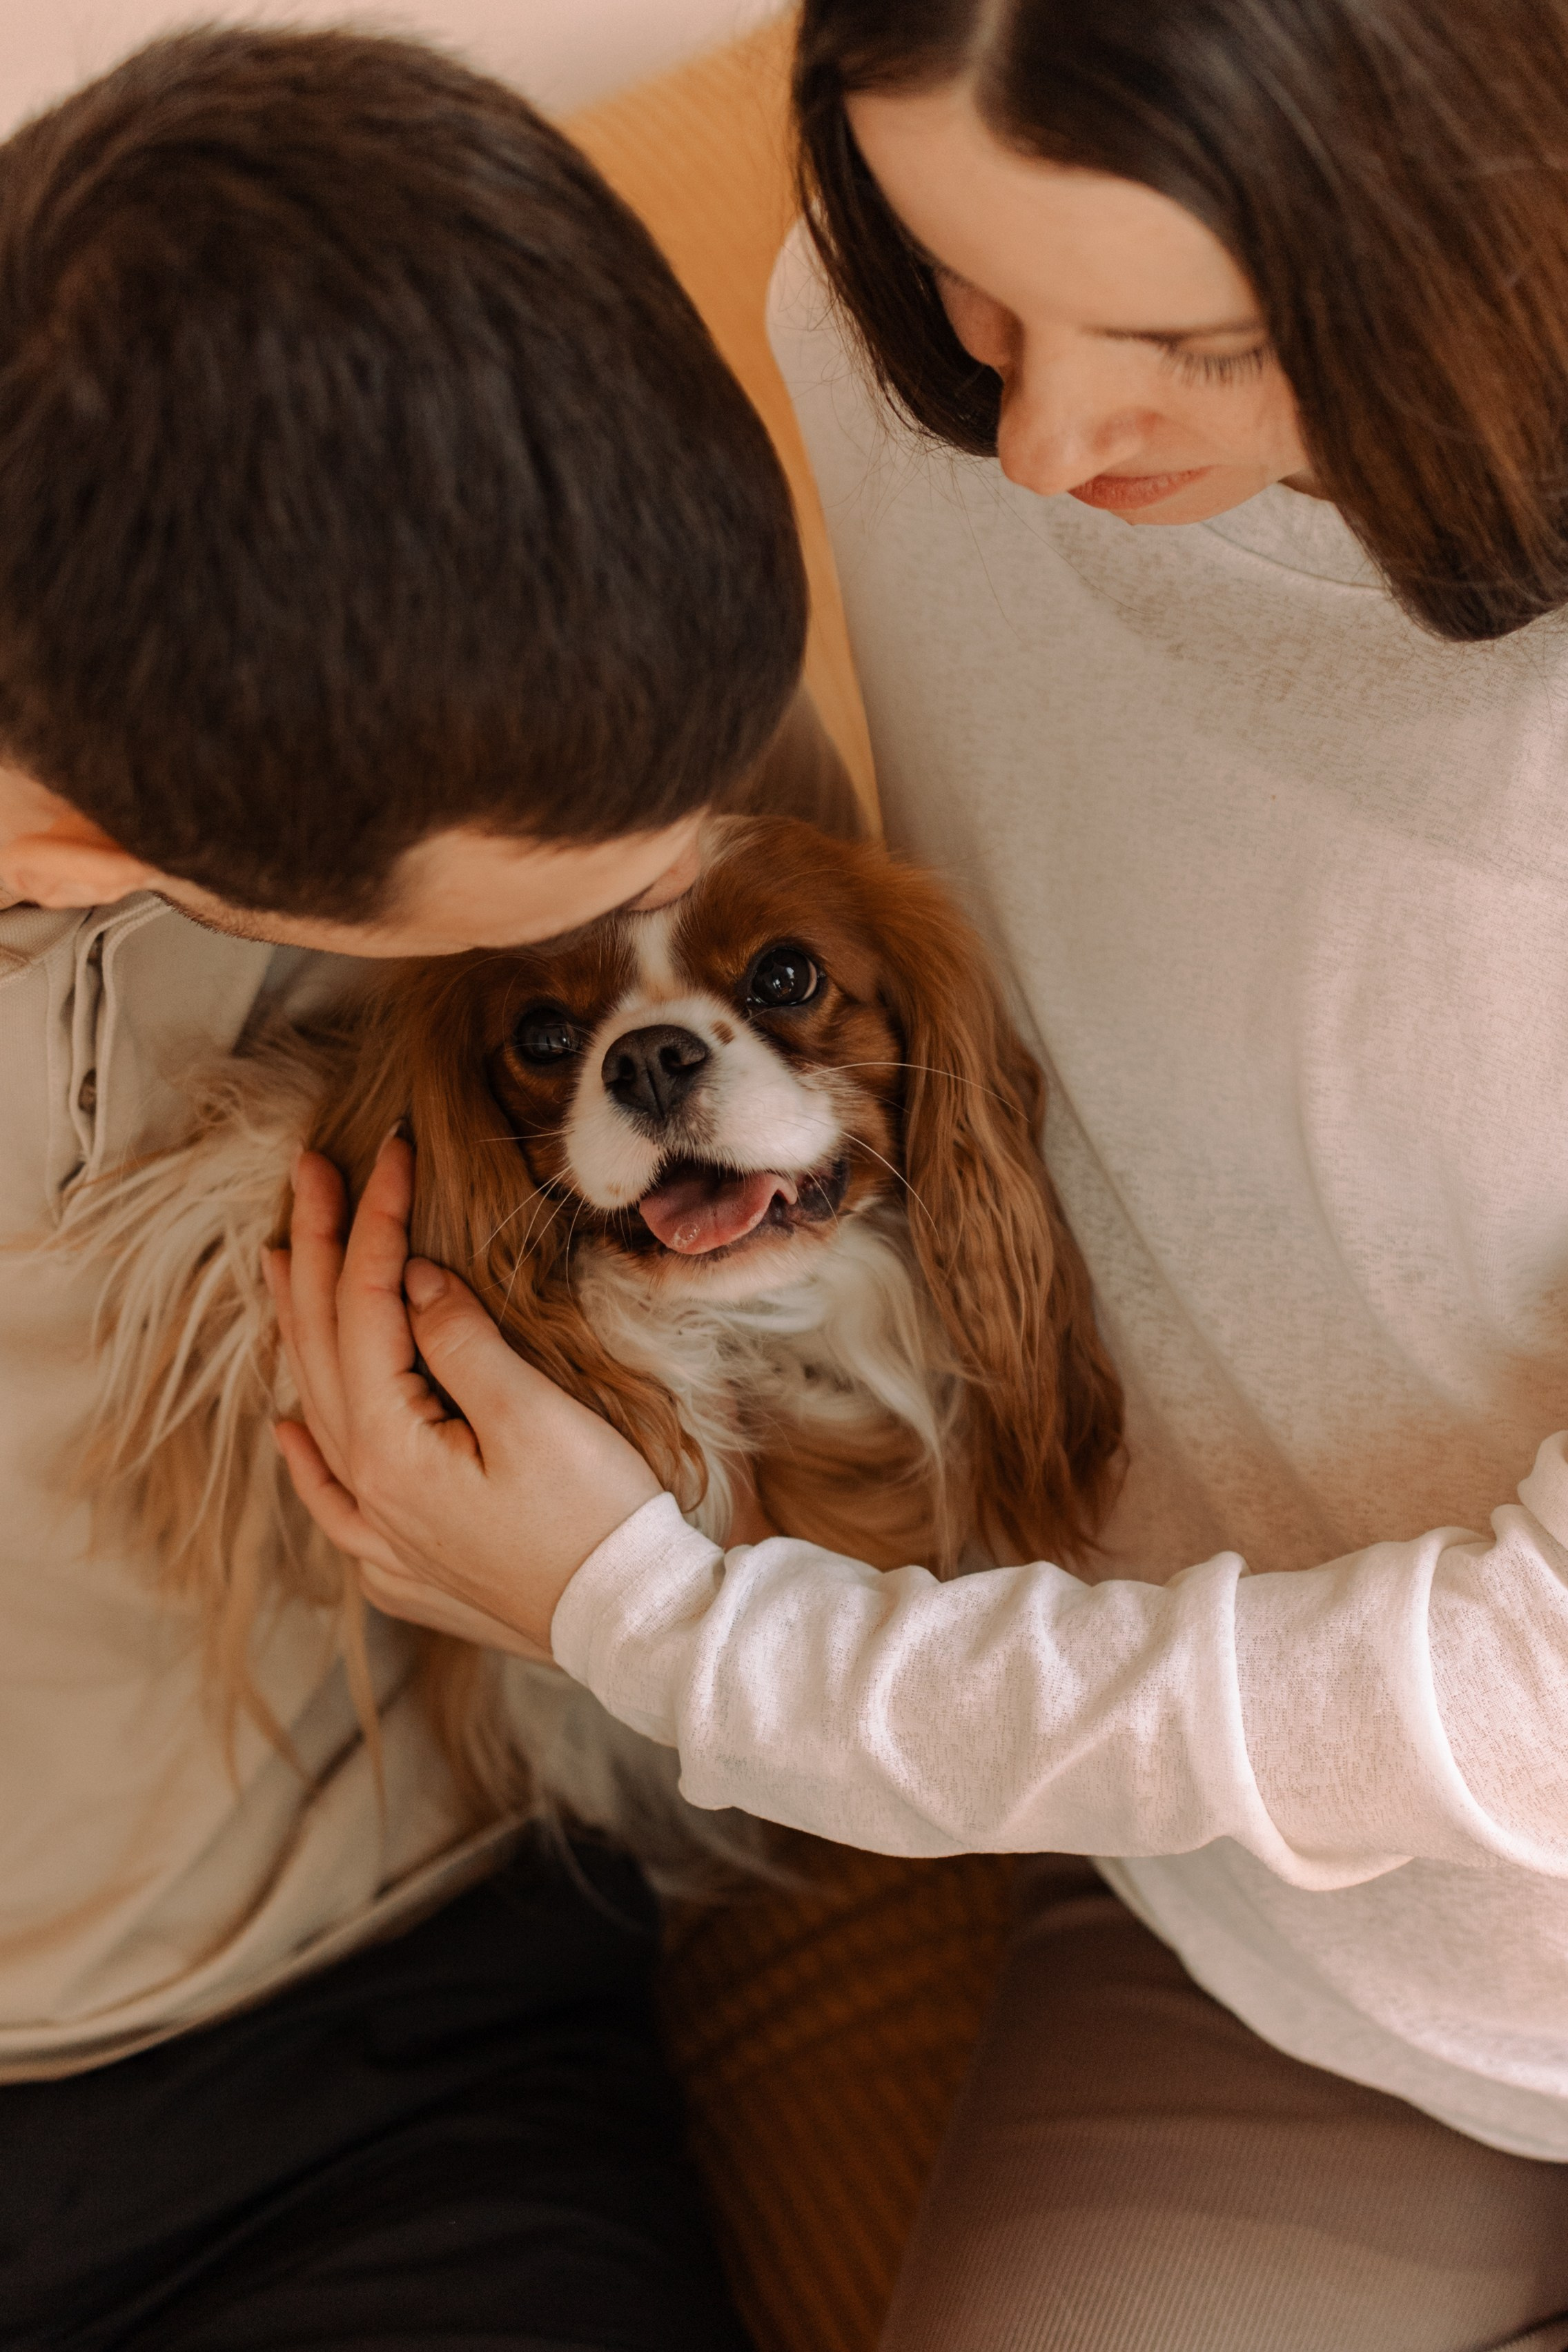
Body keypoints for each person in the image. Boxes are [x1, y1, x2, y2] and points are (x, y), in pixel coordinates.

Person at [273, 2, 1568, 2348]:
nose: (1047, 438)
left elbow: (1538, 1692)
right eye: (979, 292)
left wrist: (667, 1628)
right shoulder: (890, 370)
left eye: (1201, 340)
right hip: (1268, 1935)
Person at [0, 24, 857, 2350]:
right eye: (526, 948)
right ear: (102, 854)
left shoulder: (614, 708)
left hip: (373, 2078)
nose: (688, 888)